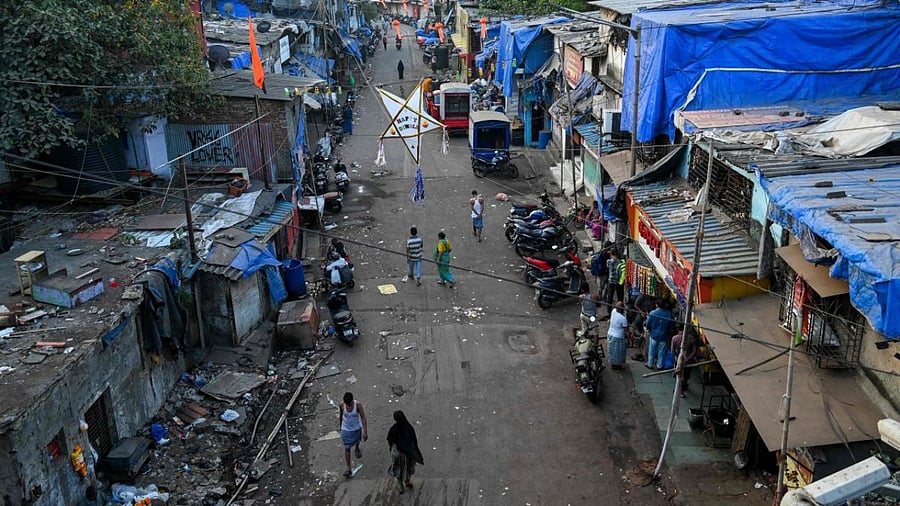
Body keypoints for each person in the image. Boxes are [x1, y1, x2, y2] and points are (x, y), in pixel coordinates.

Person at [387, 410, 424, 494]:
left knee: (398, 469)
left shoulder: (393, 429)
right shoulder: (409, 428)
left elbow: (390, 441)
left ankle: (400, 485)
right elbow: (414, 441)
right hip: (408, 454)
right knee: (409, 468)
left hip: (397, 453)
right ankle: (407, 481)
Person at [339, 392, 368, 478]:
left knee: (357, 441)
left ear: (352, 401)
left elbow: (363, 418)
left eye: (349, 404)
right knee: (347, 449)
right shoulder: (342, 404)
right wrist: (340, 425)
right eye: (347, 404)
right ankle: (349, 469)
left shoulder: (358, 405)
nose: (348, 406)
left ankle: (357, 448)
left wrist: (365, 431)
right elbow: (341, 415)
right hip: (346, 430)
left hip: (356, 429)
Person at [644, 300, 674, 370]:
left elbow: (647, 324)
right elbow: (672, 326)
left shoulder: (653, 313)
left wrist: (648, 328)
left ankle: (650, 364)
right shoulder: (669, 314)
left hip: (654, 335)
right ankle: (659, 365)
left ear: (657, 305)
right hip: (663, 336)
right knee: (661, 351)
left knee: (652, 350)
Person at [672, 325, 699, 397]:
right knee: (685, 376)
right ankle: (681, 390)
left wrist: (677, 357)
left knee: (679, 375)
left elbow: (672, 350)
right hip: (687, 362)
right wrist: (688, 358)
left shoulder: (675, 338)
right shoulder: (690, 338)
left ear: (678, 330)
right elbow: (694, 350)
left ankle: (679, 389)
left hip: (679, 361)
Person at [607, 301, 630, 369]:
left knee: (613, 352)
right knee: (619, 352)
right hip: (618, 337)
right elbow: (626, 331)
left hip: (610, 334)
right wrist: (629, 340)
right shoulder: (623, 319)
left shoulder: (613, 311)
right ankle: (617, 365)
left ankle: (613, 364)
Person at [603, 251, 625, 318]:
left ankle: (609, 312)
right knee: (620, 297)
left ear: (611, 254)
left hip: (611, 281)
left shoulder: (609, 262)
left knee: (610, 297)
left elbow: (608, 268)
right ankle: (620, 311)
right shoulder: (620, 262)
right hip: (619, 282)